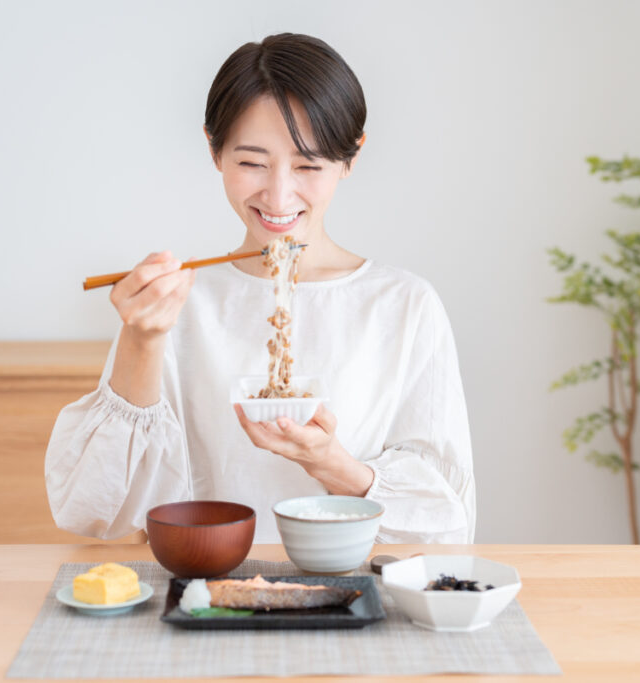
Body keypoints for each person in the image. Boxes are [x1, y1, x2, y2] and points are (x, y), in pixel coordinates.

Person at [45, 34, 475, 544]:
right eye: (251, 162)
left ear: (350, 158)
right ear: (214, 150)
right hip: (204, 591)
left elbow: (448, 521)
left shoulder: (405, 305)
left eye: (308, 166)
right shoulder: (181, 300)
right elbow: (92, 511)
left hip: (352, 597)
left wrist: (332, 464)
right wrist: (140, 340)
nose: (278, 195)